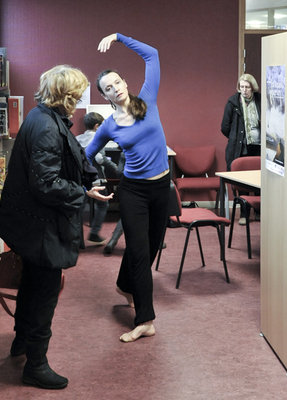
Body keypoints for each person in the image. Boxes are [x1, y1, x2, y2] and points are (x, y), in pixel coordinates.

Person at [0, 65, 113, 389]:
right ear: (65, 95)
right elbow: (46, 183)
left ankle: (21, 341)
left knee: (31, 285)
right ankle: (36, 365)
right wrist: (83, 192)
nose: (80, 99)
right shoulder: (47, 126)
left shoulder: (42, 116)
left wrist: (86, 175)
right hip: (42, 226)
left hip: (30, 224)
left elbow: (67, 154)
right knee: (44, 293)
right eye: (77, 93)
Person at [86, 33, 170, 343]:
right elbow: (87, 154)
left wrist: (120, 37)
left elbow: (153, 54)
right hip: (133, 191)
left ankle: (124, 284)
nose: (115, 89)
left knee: (148, 249)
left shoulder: (147, 98)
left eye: (117, 82)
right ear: (105, 96)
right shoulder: (108, 125)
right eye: (108, 88)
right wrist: (87, 183)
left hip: (162, 187)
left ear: (125, 82)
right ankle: (145, 319)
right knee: (138, 251)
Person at [221, 73, 261, 225]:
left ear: (253, 88)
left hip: (258, 147)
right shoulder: (233, 102)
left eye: (247, 87)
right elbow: (225, 126)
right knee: (243, 183)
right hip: (240, 148)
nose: (244, 90)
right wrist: (235, 138)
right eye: (241, 87)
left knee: (258, 181)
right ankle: (244, 214)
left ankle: (258, 211)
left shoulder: (259, 101)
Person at [77, 112, 119, 245]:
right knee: (102, 204)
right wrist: (116, 168)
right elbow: (100, 159)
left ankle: (78, 240)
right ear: (97, 126)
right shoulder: (98, 138)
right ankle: (94, 233)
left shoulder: (78, 138)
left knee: (80, 207)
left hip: (80, 179)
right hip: (96, 178)